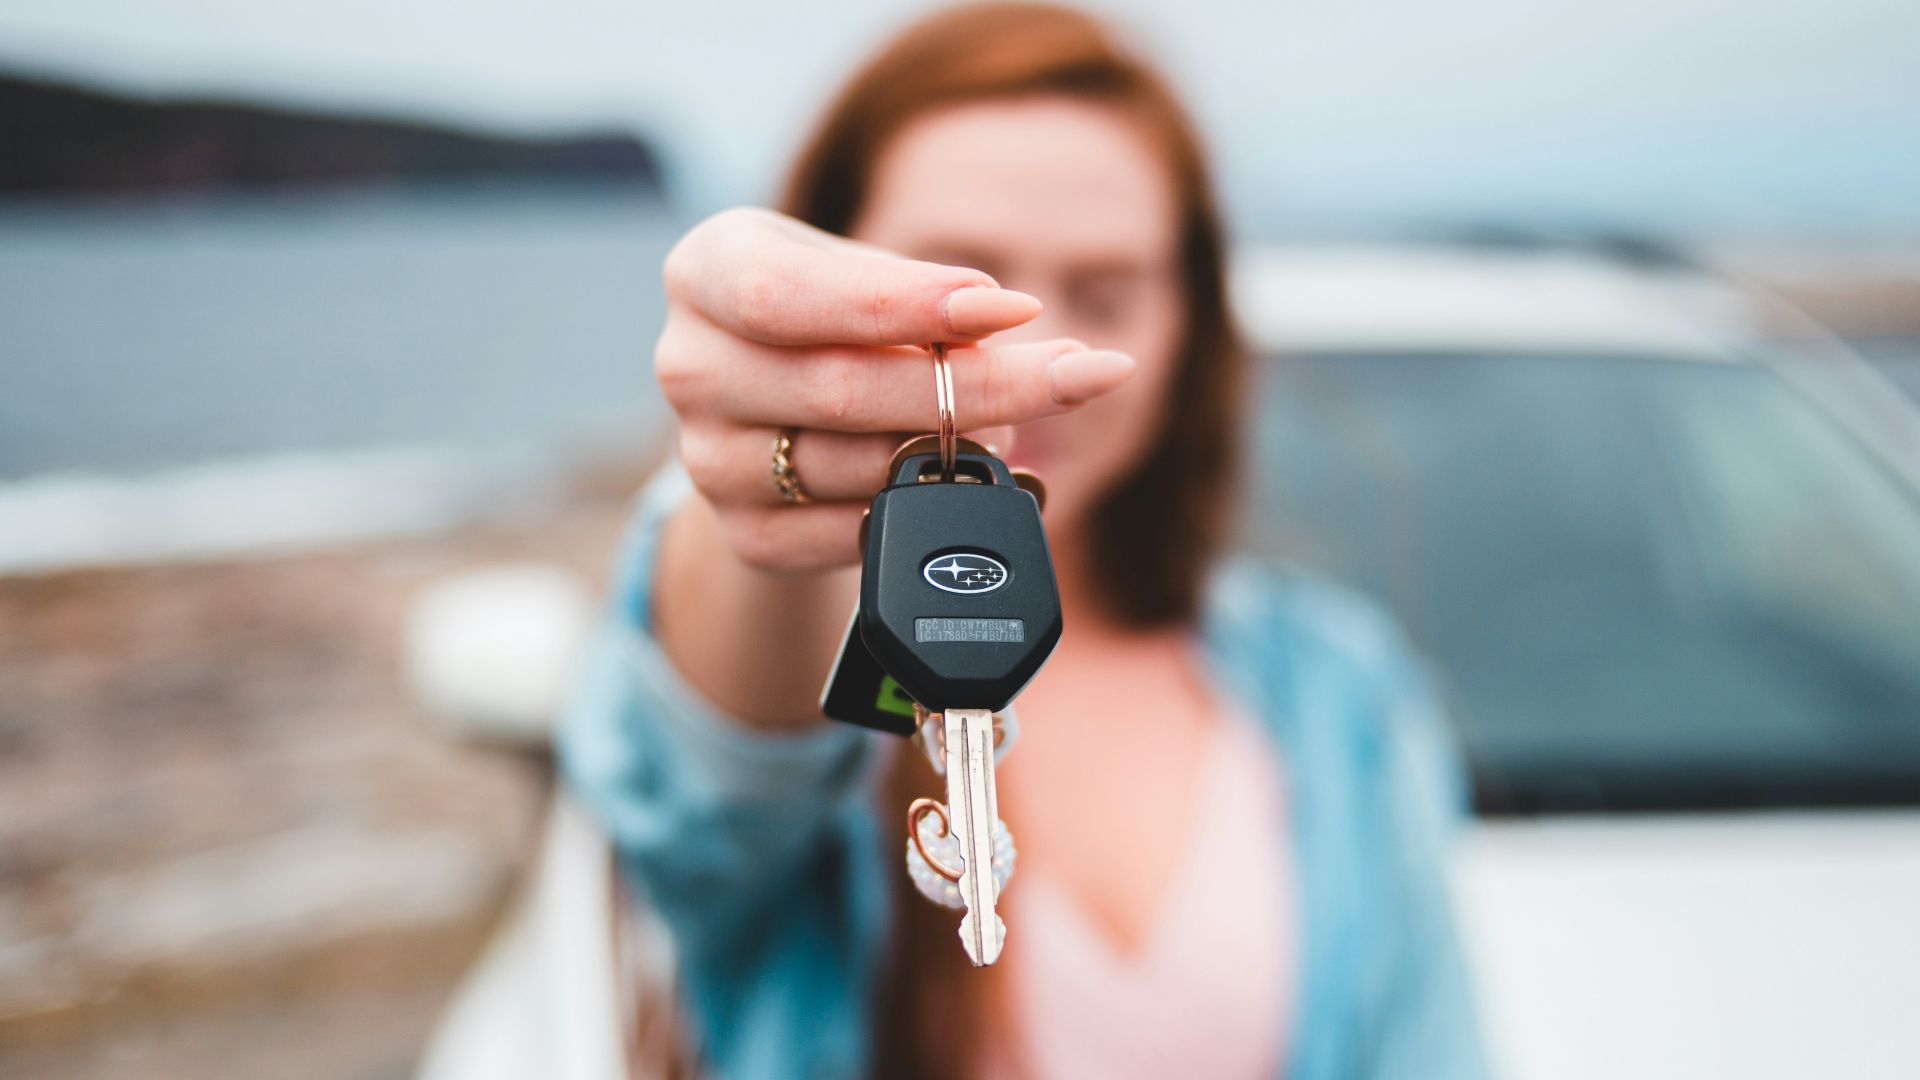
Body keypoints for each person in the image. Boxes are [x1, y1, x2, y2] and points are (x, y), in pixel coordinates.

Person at [421, 3, 1488, 1078]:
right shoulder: (802, 653)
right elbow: (701, 791)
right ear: (832, 283)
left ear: (1188, 326)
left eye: (1105, 294)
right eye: (958, 292)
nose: (1027, 350)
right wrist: (753, 501)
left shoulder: (1341, 694)